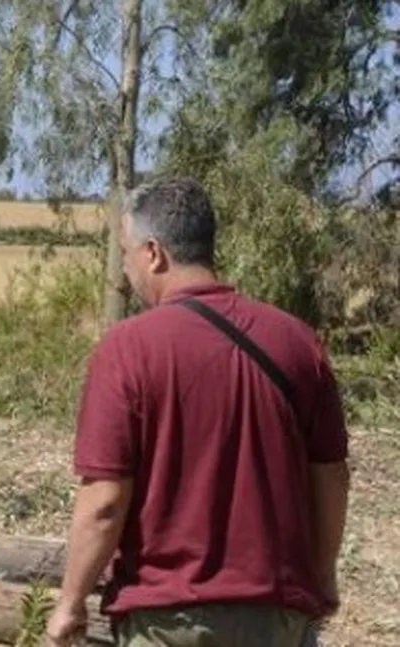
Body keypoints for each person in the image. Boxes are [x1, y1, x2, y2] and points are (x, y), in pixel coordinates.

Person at [44, 177, 351, 646]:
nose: (125, 271)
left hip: (170, 621)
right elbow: (331, 476)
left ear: (153, 253)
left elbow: (105, 503)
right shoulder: (297, 341)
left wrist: (69, 603)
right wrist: (323, 576)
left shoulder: (127, 349)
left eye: (126, 254)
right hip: (279, 617)